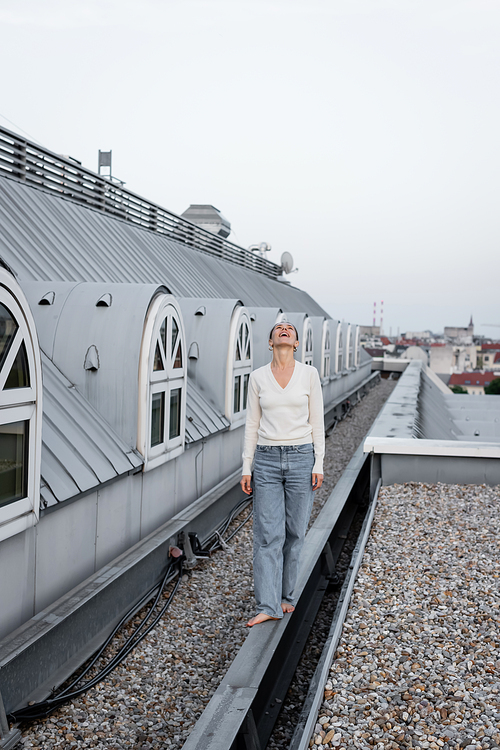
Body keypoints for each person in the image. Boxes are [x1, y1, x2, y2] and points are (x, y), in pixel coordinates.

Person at [241, 321, 325, 627]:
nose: (285, 329)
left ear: (297, 343)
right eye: (279, 328)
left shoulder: (309, 375)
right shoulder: (258, 377)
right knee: (267, 536)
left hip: (302, 457)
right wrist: (246, 466)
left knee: (295, 533)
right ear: (270, 342)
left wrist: (319, 462)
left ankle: (287, 598)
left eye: (290, 328)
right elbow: (252, 423)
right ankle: (268, 604)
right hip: (265, 461)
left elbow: (317, 420)